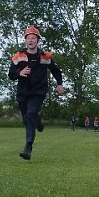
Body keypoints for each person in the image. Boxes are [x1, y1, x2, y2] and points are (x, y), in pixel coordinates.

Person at [8, 25, 66, 160]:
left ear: (37, 41)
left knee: (30, 115)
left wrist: (59, 84)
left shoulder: (45, 56)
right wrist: (19, 73)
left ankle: (28, 147)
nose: (31, 40)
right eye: (28, 38)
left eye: (33, 38)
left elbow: (56, 71)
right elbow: (11, 74)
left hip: (38, 92)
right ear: (25, 41)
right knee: (29, 118)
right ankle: (38, 121)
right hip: (22, 93)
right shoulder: (19, 56)